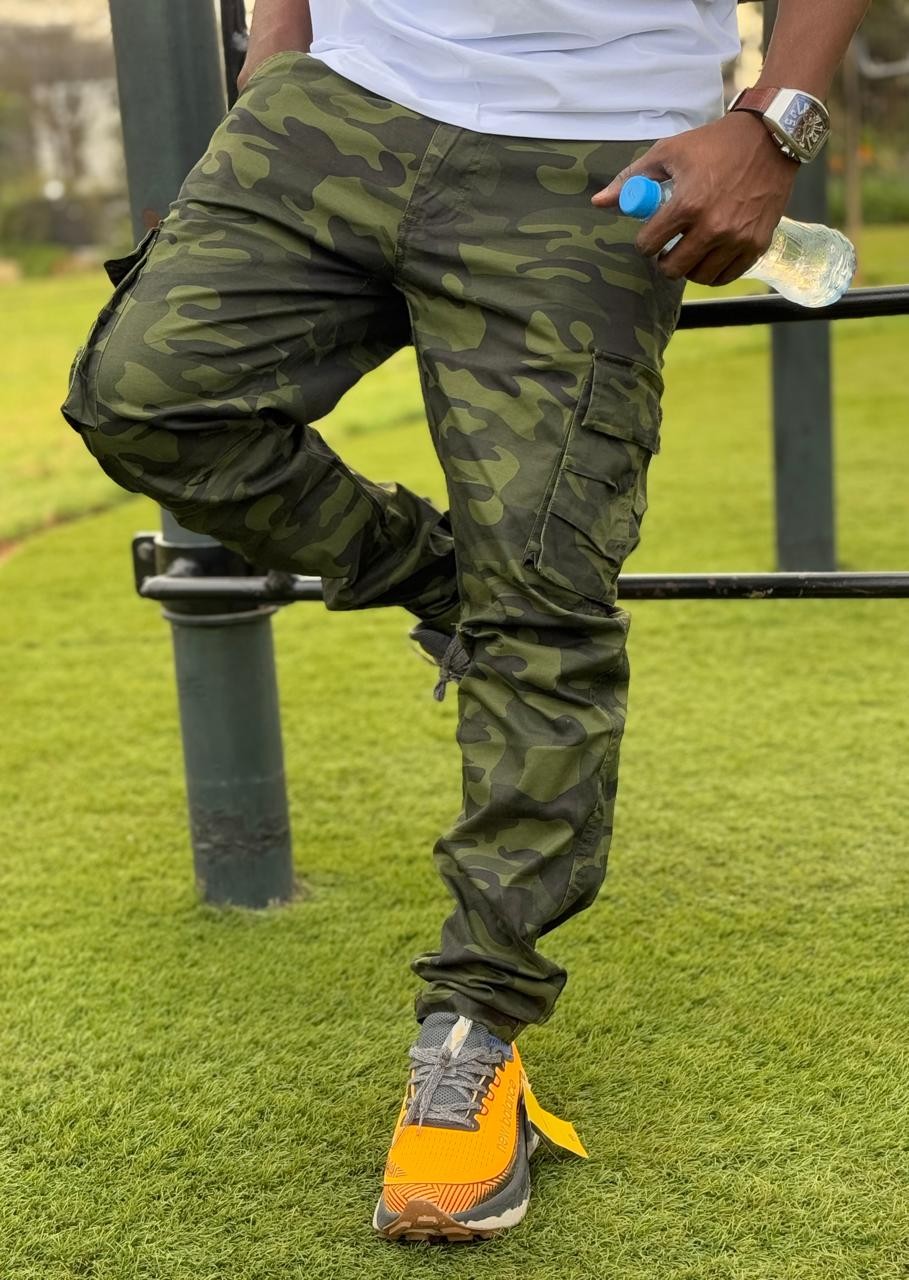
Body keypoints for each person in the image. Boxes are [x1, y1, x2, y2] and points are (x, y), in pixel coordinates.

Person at [62, 0, 868, 1243]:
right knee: (143, 397)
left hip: (599, 149)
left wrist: (775, 122)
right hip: (341, 99)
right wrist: (276, 49)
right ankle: (461, 585)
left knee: (544, 606)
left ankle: (474, 1025)